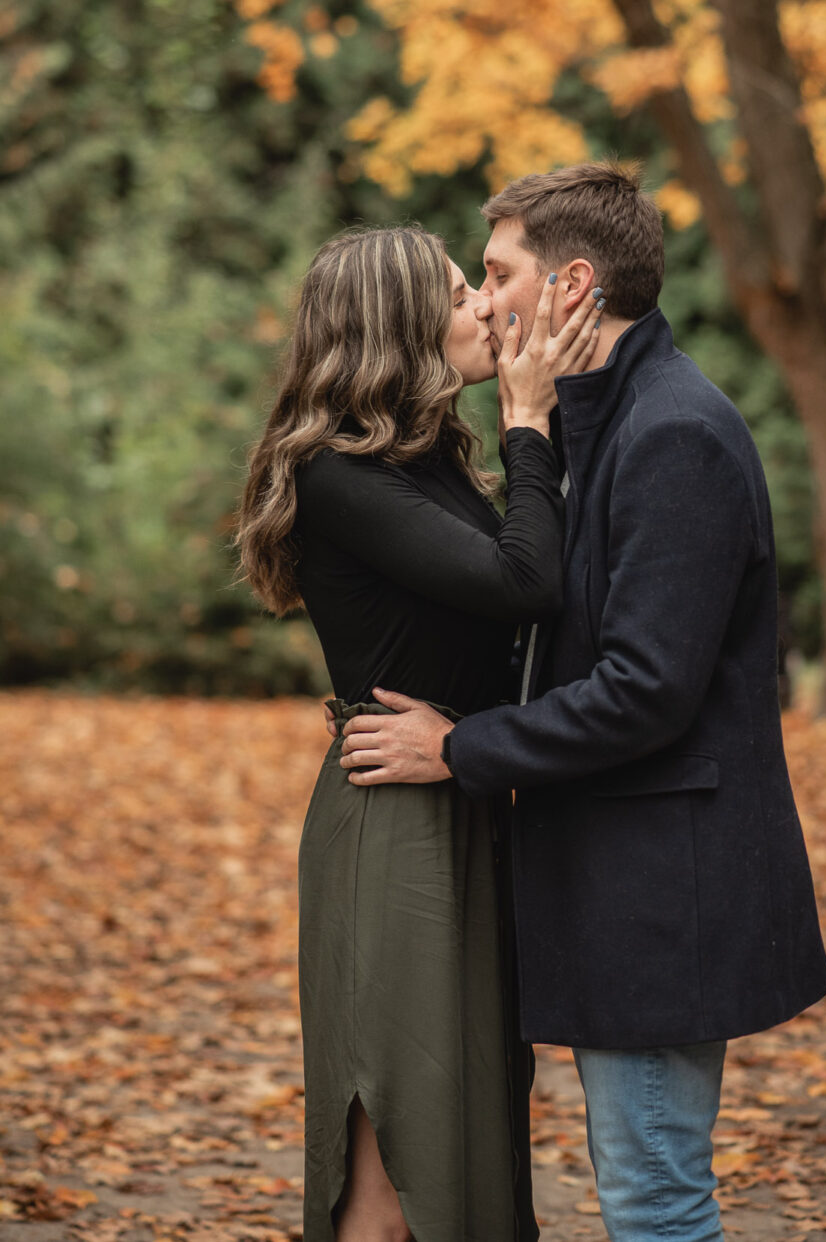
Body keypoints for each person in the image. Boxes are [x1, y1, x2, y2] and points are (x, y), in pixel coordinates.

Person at [337, 164, 826, 1242]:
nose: (479, 296)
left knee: (656, 1204)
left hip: (663, 889)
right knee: (645, 1191)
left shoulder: (673, 435)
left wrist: (461, 747)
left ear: (569, 286)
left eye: (496, 272)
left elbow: (643, 690)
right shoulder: (594, 424)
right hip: (615, 878)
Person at [236, 225, 602, 1242]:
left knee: (466, 1131)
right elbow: (523, 584)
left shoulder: (429, 463)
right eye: (457, 295)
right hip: (393, 826)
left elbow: (536, 577)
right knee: (393, 1166)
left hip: (461, 802)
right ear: (399, 329)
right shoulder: (338, 477)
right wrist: (528, 419)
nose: (485, 306)